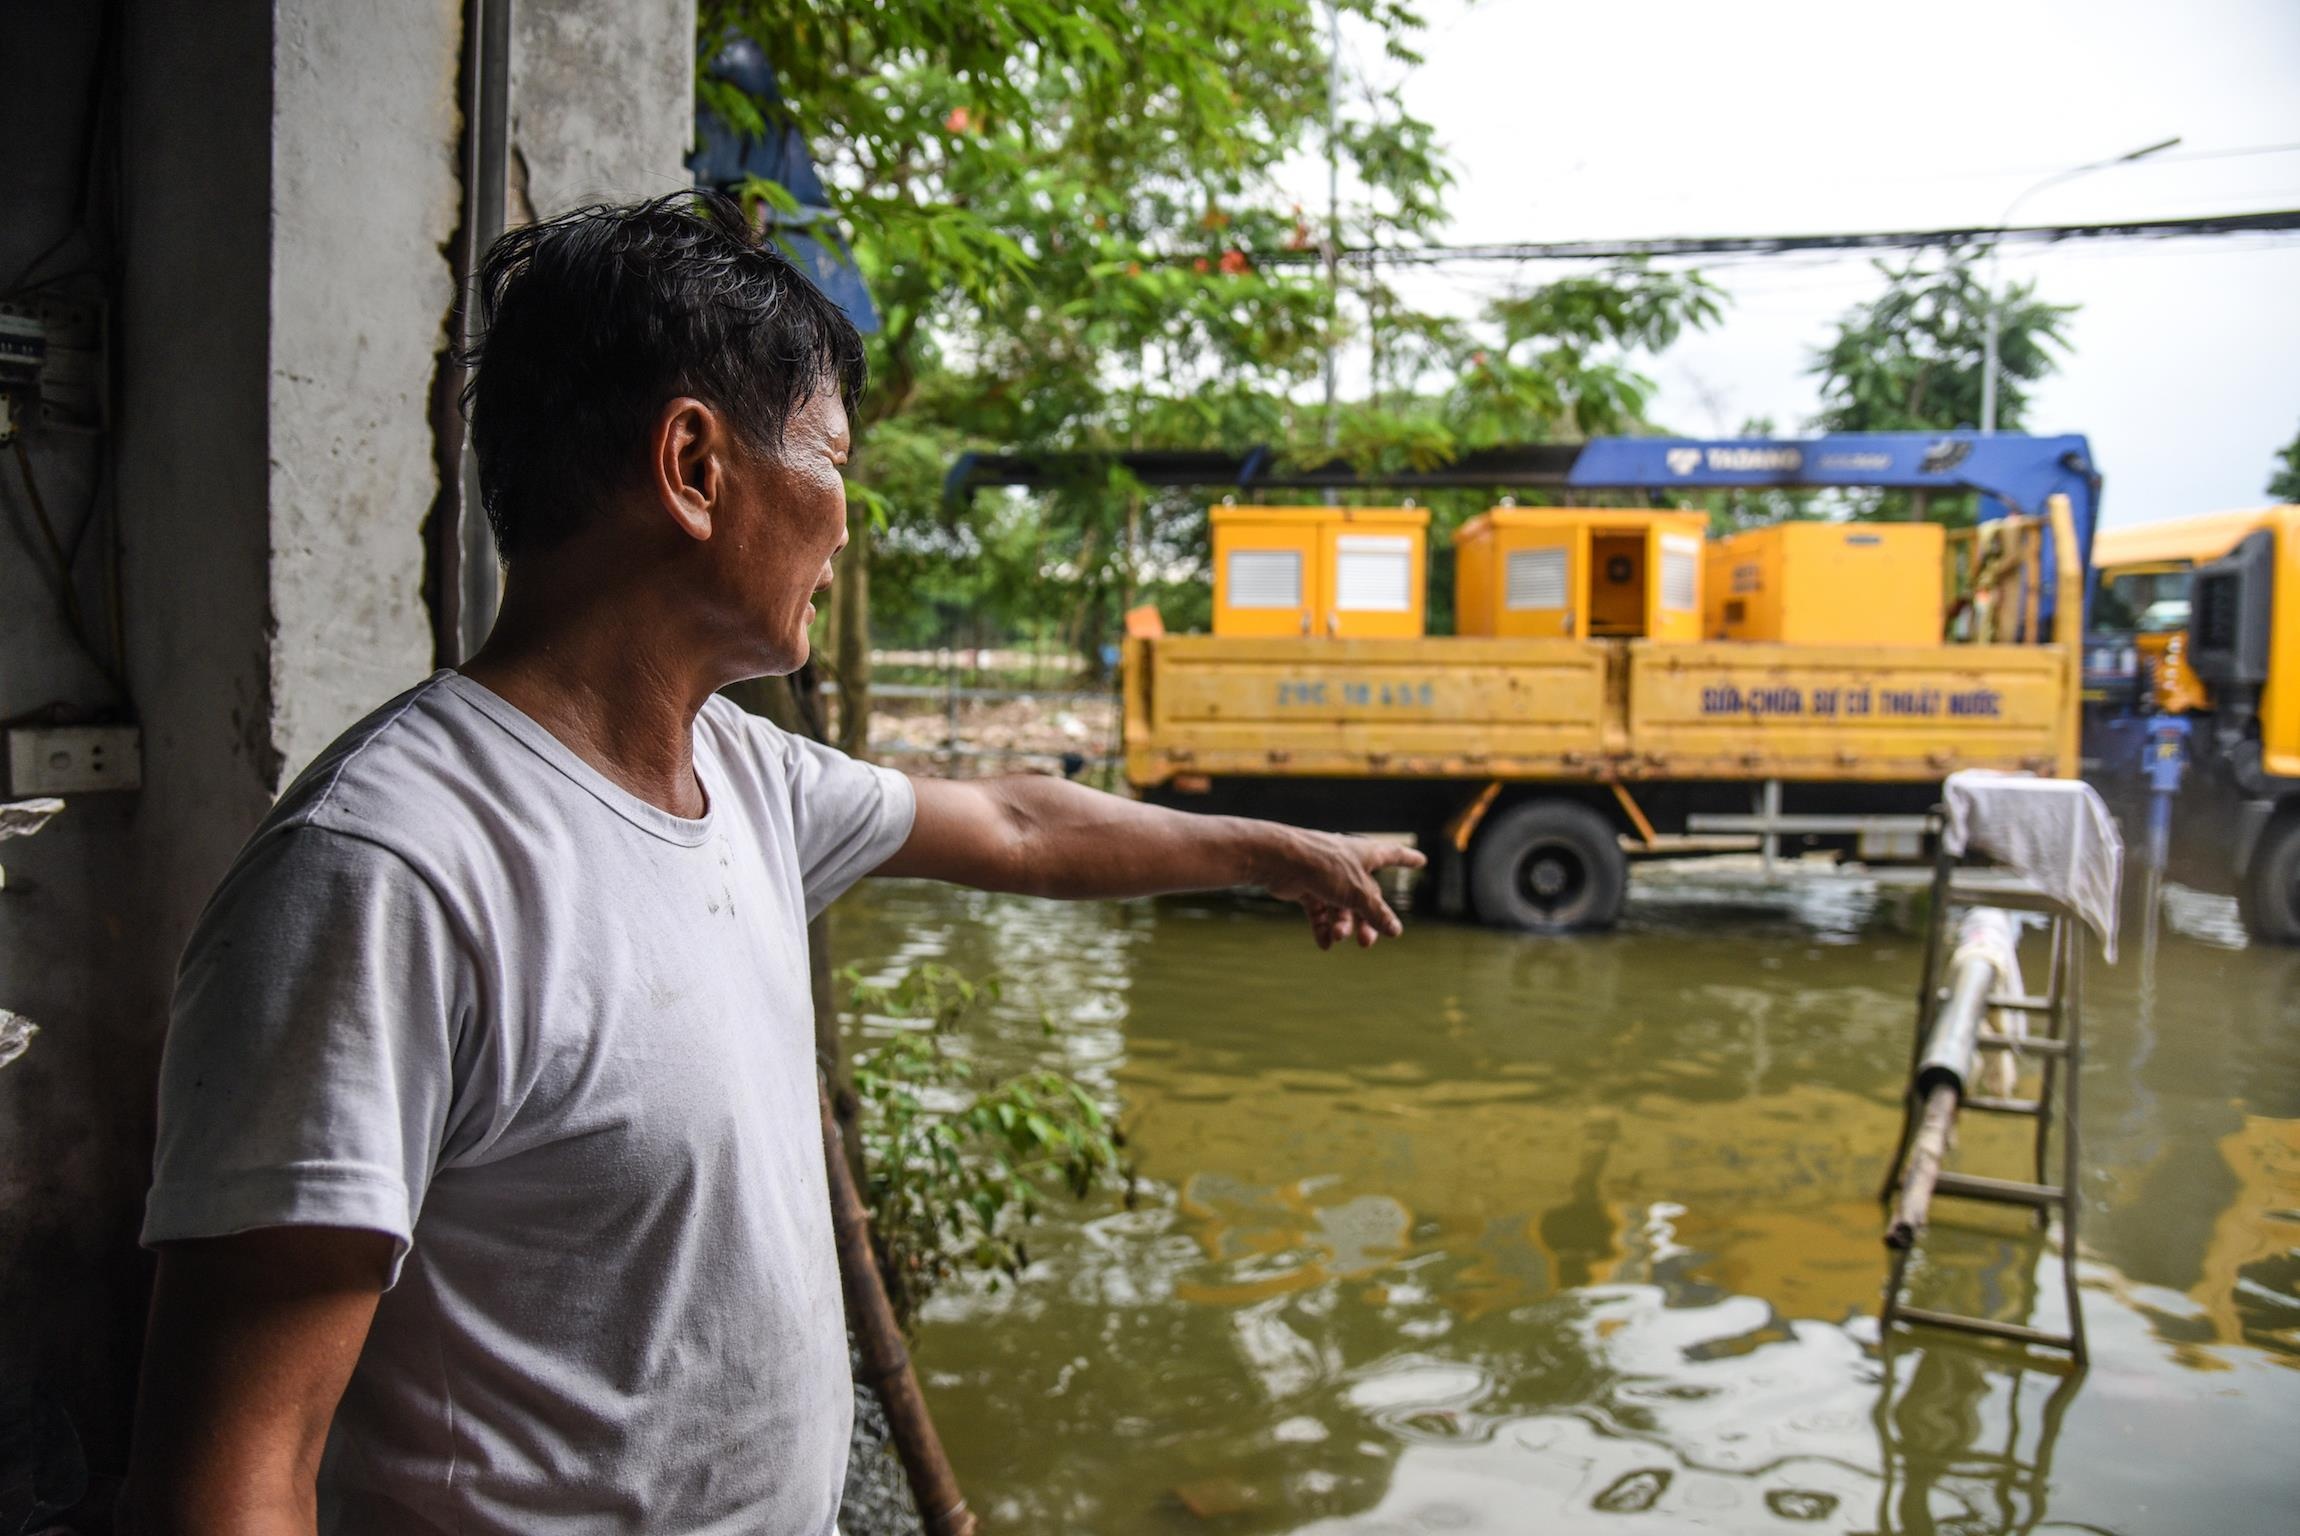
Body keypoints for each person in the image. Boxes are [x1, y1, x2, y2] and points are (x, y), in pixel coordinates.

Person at [123, 192, 1421, 1536]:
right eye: (832, 462)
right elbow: (234, 1471)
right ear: (693, 465)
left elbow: (1022, 824)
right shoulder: (391, 873)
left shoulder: (745, 778)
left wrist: (1271, 850)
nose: (847, 523)